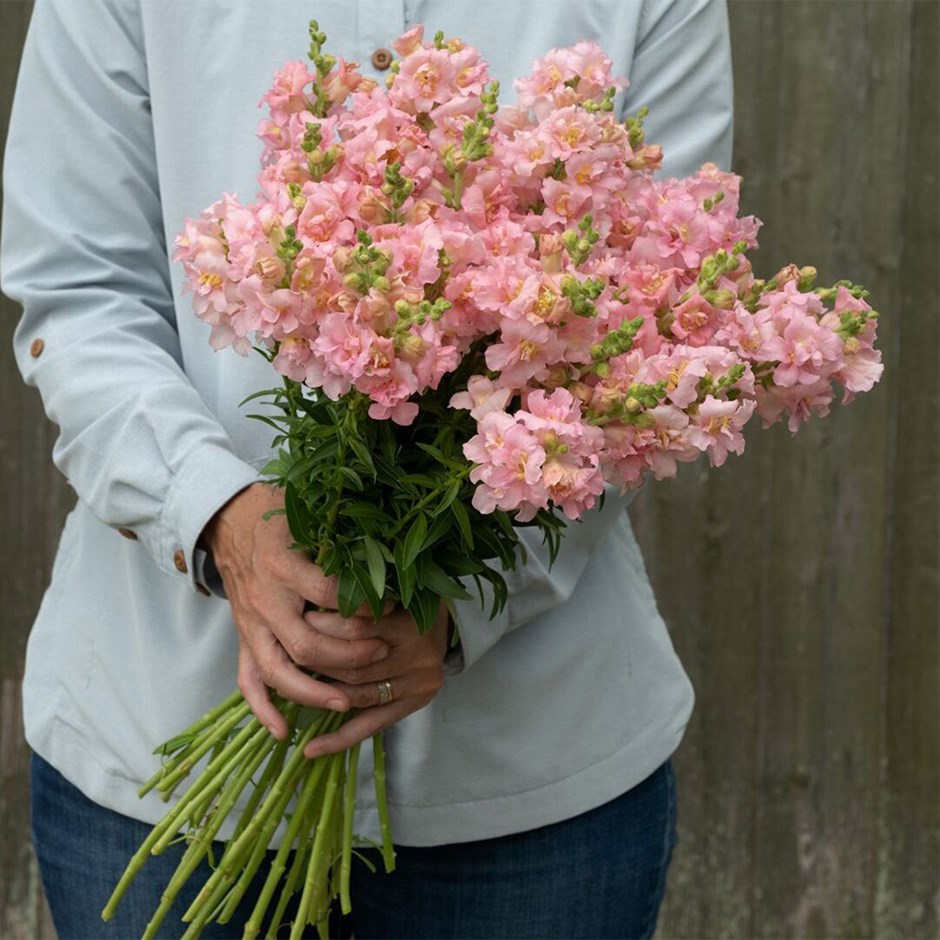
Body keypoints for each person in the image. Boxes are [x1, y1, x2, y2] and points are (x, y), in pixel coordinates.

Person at [2, 1, 733, 937]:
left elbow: (658, 336)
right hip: (163, 757)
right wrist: (217, 514)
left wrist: (456, 599)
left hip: (526, 796)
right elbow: (78, 289)